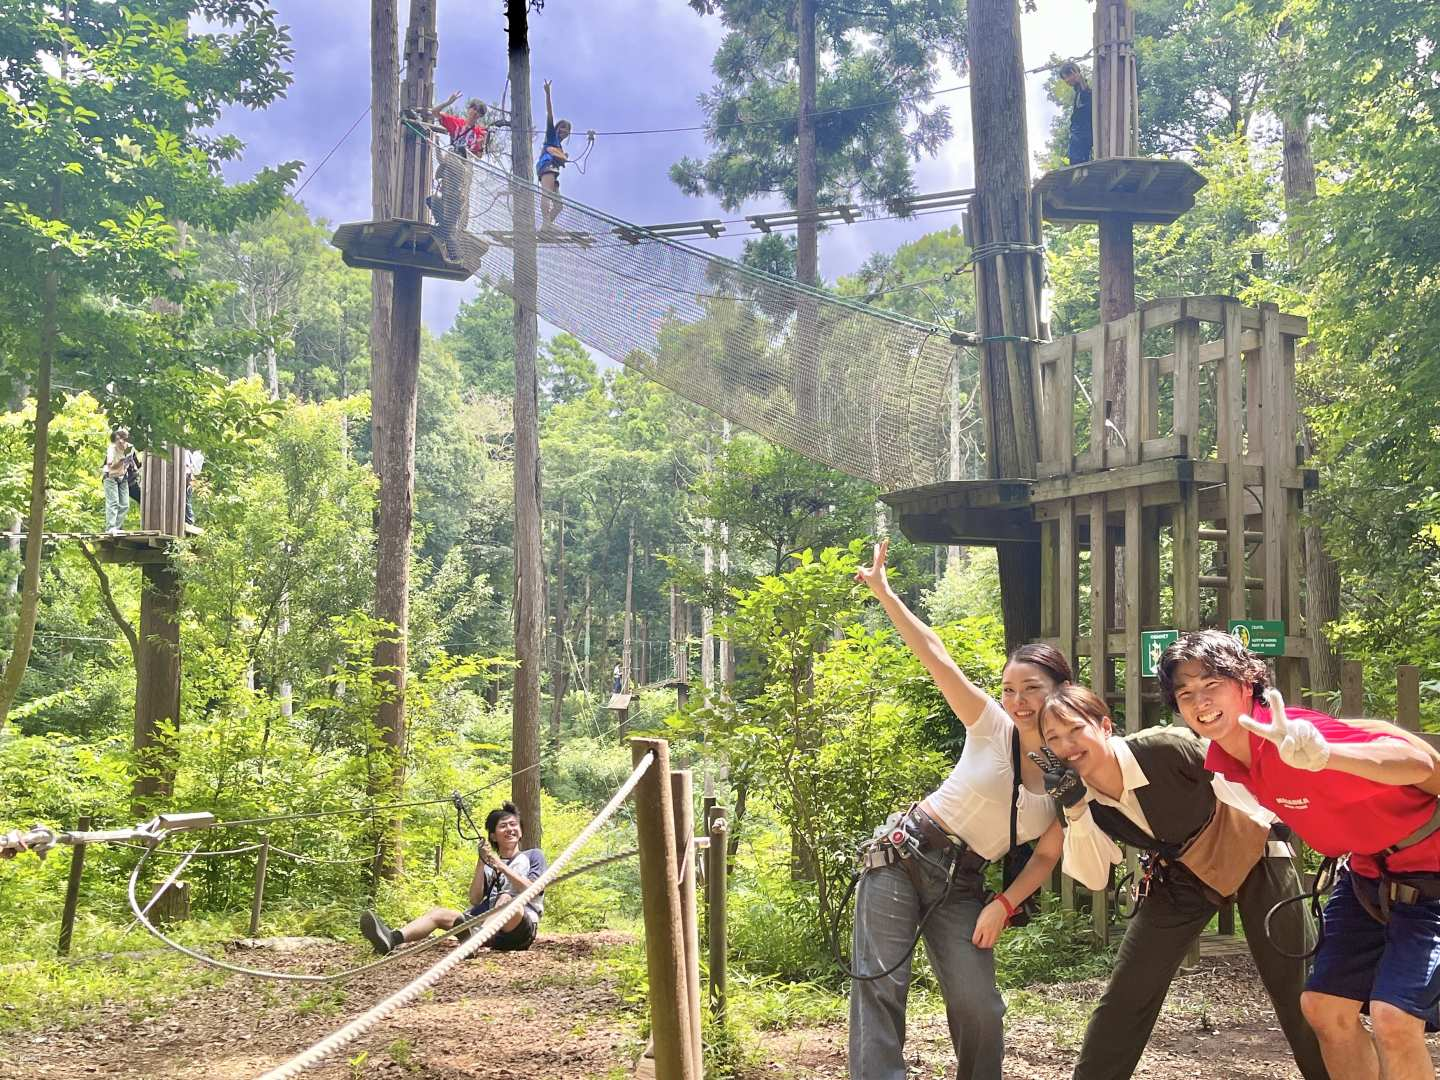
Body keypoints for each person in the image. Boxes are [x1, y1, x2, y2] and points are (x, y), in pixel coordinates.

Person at [1160, 630, 1440, 1080]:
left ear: (1247, 683)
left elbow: (1418, 765)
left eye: (1212, 684)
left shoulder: (1294, 736)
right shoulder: (1225, 761)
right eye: (1186, 692)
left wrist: (1329, 755)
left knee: (1394, 1017)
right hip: (1367, 875)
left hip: (1431, 875)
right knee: (1323, 1008)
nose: (1200, 699)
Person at [1036, 683, 1328, 1080]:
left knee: (1297, 990)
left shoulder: (1163, 748)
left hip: (1253, 853)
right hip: (1182, 876)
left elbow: (1241, 782)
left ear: (1104, 726)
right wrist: (1073, 809)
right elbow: (1092, 874)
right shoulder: (1075, 793)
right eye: (1053, 738)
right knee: (1128, 992)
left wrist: (1291, 823)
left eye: (1075, 730)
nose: (1067, 745)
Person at [850, 538, 1063, 1080]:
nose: (1016, 701)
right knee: (879, 990)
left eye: (1031, 689)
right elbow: (935, 653)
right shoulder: (991, 723)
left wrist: (1005, 905)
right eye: (1009, 688)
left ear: (1061, 691)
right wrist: (884, 591)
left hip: (965, 885)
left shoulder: (1074, 771)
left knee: (979, 1008)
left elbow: (1044, 858)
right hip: (903, 855)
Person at [360, 802, 547, 955]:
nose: (510, 829)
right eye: (503, 826)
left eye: (514, 825)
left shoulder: (533, 856)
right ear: (493, 836)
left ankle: (475, 938)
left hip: (519, 928)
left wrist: (500, 865)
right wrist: (482, 861)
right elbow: (475, 899)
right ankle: (392, 938)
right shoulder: (490, 864)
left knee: (505, 898)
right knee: (439, 913)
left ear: (521, 832)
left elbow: (533, 889)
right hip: (489, 930)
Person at [423, 91, 487, 260]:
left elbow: (478, 156)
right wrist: (449, 101)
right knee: (436, 199)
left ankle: (449, 233)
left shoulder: (479, 132)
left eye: (479, 113)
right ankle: (446, 233)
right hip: (451, 167)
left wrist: (481, 145)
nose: (476, 114)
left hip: (463, 167)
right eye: (474, 110)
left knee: (456, 200)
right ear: (469, 109)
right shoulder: (456, 123)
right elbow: (434, 112)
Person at [535, 79, 572, 228]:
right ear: (557, 128)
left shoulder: (559, 148)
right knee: (547, 194)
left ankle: (546, 225)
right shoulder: (551, 136)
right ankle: (545, 222)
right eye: (563, 128)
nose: (564, 132)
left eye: (567, 131)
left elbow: (560, 157)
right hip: (546, 166)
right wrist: (548, 94)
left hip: (553, 170)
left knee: (559, 206)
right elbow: (549, 115)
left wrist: (564, 157)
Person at [1059, 61, 1093, 166]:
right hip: (1078, 135)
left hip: (1082, 134)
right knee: (1071, 160)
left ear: (1074, 73)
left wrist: (1081, 80)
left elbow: (1087, 96)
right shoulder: (1077, 91)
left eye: (1067, 77)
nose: (1066, 81)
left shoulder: (1082, 89)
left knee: (1077, 161)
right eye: (1064, 78)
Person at [102, 428, 132, 534]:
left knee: (125, 504)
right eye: (118, 439)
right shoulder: (112, 449)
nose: (121, 442)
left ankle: (117, 528)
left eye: (123, 439)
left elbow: (135, 463)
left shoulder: (129, 448)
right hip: (110, 476)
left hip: (123, 477)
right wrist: (120, 462)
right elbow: (111, 467)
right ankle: (110, 527)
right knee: (113, 502)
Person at [184, 448, 204, 526]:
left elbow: (196, 471)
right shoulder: (188, 453)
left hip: (188, 480)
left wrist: (190, 467)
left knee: (186, 501)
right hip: (186, 479)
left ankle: (189, 520)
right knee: (185, 501)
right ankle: (188, 520)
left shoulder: (196, 455)